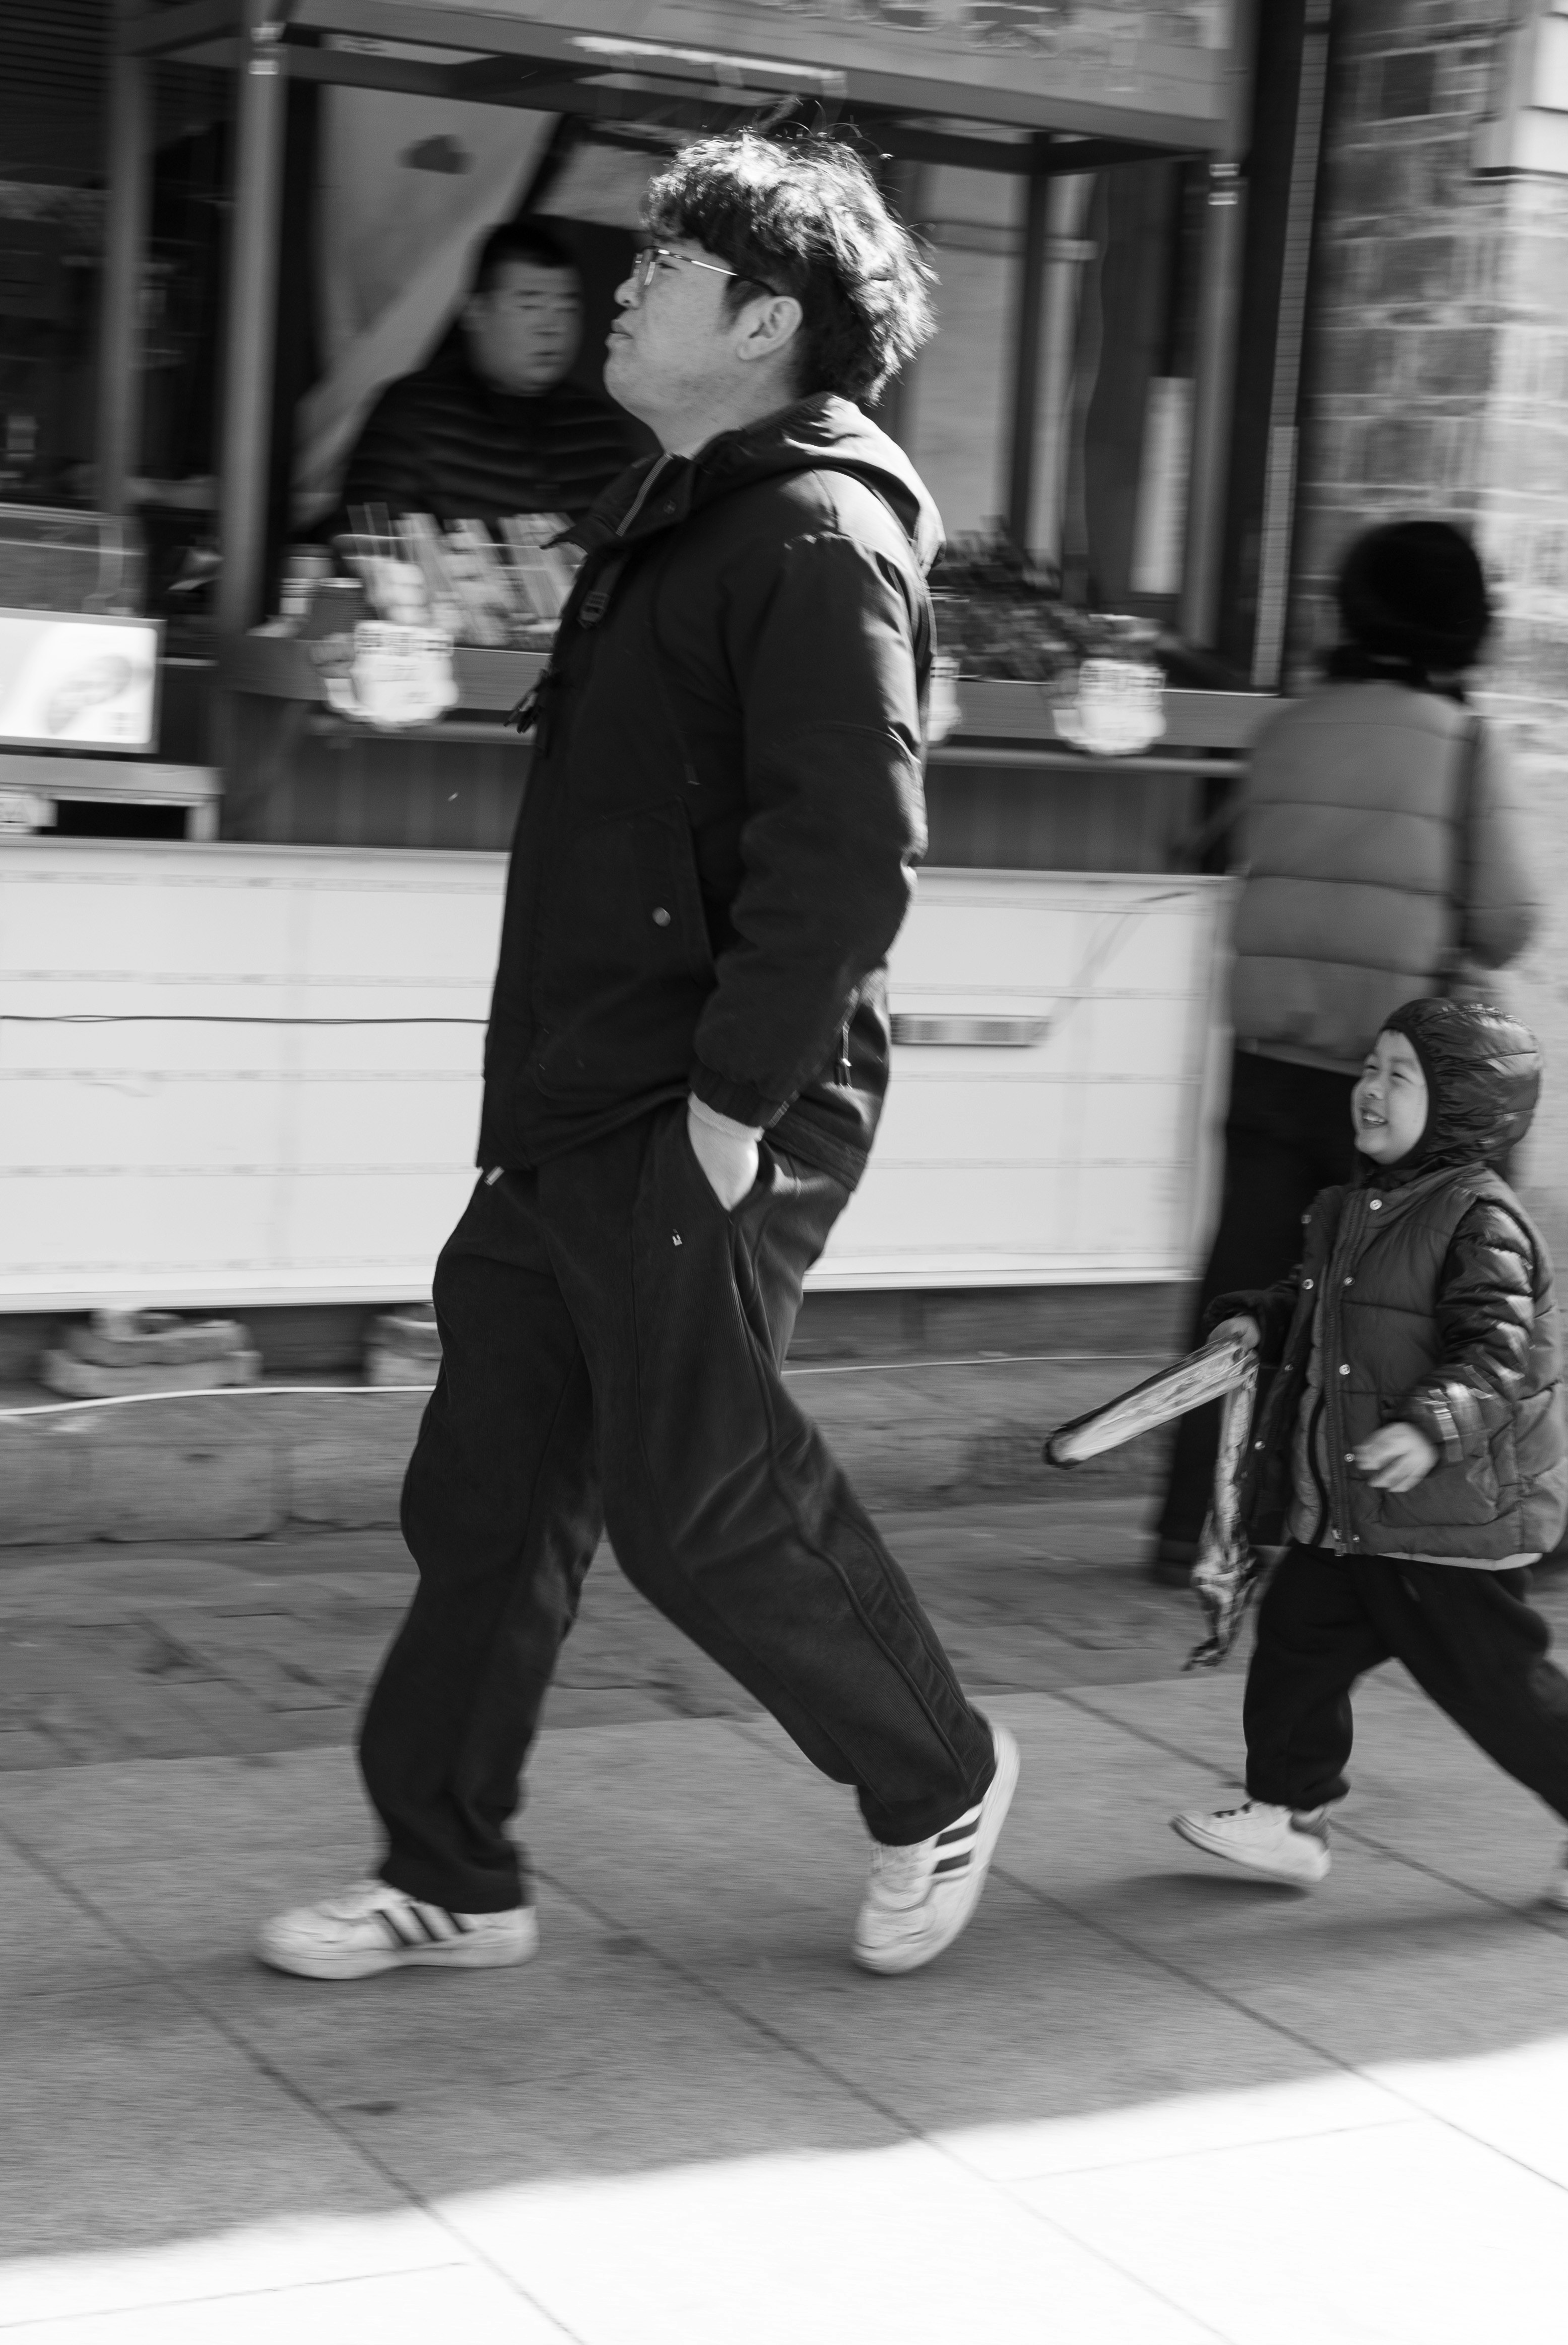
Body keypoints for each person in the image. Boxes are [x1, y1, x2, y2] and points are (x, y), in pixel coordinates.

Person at [257, 131, 1018, 1984]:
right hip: (574, 1098)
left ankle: (936, 1771)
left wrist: (730, 1112)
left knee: (699, 1501)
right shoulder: (684, 501)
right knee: (492, 1492)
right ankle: (452, 1868)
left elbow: (846, 856)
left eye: (666, 267)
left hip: (702, 1101)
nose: (623, 284)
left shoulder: (819, 535)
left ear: (764, 320)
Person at [1166, 998, 1568, 1912]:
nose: (1368, 1090)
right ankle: (1289, 1814)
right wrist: (1260, 1315)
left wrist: (1427, 1427)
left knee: (1490, 1681)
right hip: (1363, 1509)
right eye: (1368, 1068)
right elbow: (1316, 1301)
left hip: (1449, 1513)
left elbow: (1496, 1350)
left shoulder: (1479, 1220)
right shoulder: (1349, 1206)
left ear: (1457, 1106)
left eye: (1398, 1076)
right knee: (1296, 1643)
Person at [1149, 519, 1541, 1586]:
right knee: (1448, 1296)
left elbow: (1223, 849)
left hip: (1272, 1056)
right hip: (1400, 1085)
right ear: (1467, 625)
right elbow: (1508, 921)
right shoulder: (1464, 744)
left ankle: (1196, 1524)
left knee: (1244, 1299)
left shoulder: (1290, 728)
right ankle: (1458, 1527)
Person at [334, 218, 656, 526]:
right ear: (476, 313)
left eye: (567, 308)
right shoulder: (411, 415)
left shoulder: (596, 425)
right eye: (529, 306)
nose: (551, 327)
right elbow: (371, 544)